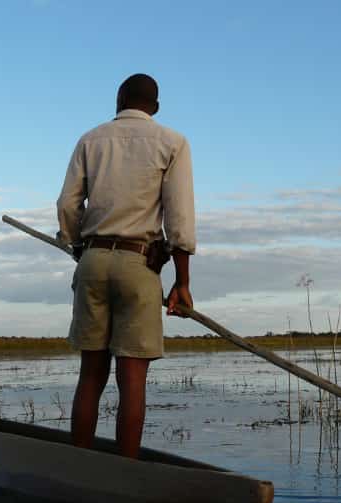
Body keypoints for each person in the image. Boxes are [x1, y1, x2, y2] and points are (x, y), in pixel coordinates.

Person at [57, 73, 196, 459]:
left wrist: (76, 244)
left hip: (93, 259)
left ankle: (79, 463)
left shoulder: (91, 139)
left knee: (91, 374)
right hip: (138, 264)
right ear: (155, 106)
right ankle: (126, 472)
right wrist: (181, 283)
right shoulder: (173, 142)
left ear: (119, 100)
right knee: (132, 380)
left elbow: (68, 206)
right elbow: (179, 220)